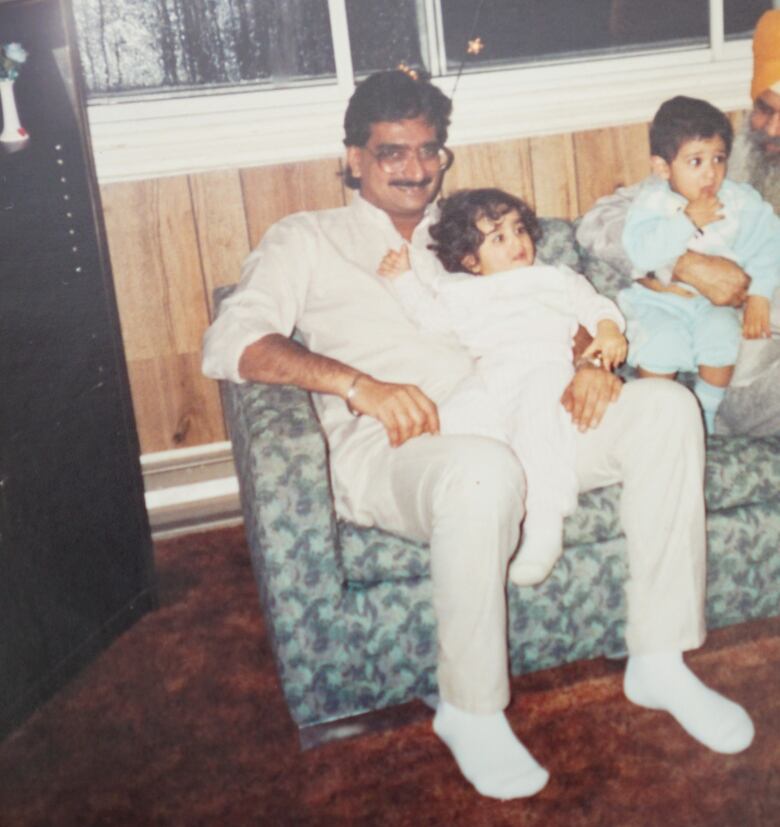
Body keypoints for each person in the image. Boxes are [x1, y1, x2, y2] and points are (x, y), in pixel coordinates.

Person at [202, 70, 754, 801]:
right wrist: (358, 385)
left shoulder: (460, 237)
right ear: (354, 158)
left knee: (666, 412)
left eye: (428, 150)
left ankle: (659, 658)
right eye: (392, 151)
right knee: (481, 468)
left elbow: (562, 306)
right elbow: (232, 343)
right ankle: (470, 709)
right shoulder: (308, 238)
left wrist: (593, 358)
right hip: (399, 447)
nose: (415, 167)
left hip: (531, 416)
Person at [376, 188, 626, 586]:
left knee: (536, 430)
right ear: (471, 261)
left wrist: (609, 330)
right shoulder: (460, 292)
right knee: (450, 423)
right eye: (499, 238)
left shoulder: (554, 277)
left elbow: (593, 305)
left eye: (519, 230)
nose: (518, 243)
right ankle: (479, 516)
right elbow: (431, 318)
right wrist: (403, 279)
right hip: (490, 374)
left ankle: (544, 526)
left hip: (545, 368)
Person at [577, 8, 780, 436]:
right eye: (764, 109)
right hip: (698, 350)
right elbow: (598, 222)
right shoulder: (718, 169)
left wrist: (754, 294)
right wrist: (683, 264)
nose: (774, 128)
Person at [618, 96, 780, 432]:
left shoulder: (740, 201)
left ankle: (705, 414)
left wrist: (761, 295)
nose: (711, 173)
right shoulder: (654, 202)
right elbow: (641, 253)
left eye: (718, 159)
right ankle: (656, 419)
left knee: (722, 340)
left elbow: (767, 245)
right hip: (658, 300)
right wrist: (686, 221)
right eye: (696, 162)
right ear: (663, 167)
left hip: (711, 307)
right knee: (660, 346)